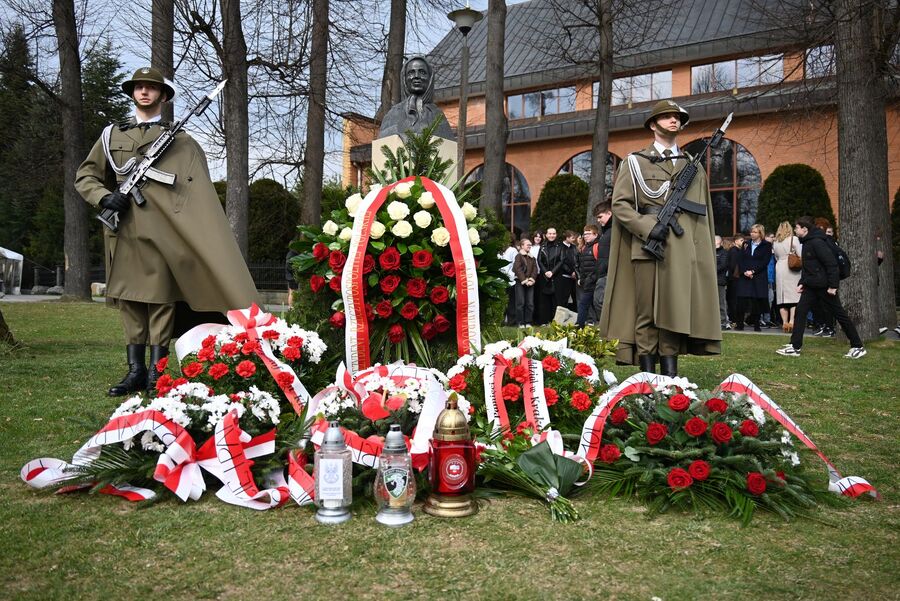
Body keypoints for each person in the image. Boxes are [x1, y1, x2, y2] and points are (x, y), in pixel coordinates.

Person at [75, 67, 260, 396]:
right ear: (132, 93)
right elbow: (85, 176)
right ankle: (135, 371)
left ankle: (156, 373)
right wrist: (105, 197)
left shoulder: (180, 141)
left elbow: (194, 190)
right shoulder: (111, 136)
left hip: (162, 233)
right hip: (123, 229)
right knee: (131, 301)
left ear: (162, 95)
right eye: (139, 87)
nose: (144, 92)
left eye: (151, 87)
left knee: (161, 299)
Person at [599, 99, 721, 376]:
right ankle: (646, 377)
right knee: (646, 315)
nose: (673, 120)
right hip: (646, 246)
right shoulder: (635, 162)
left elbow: (700, 214)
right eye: (666, 117)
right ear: (653, 124)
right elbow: (620, 205)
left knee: (672, 313)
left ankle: (670, 378)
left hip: (679, 249)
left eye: (677, 117)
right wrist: (647, 227)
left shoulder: (693, 165)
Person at [776, 217, 866, 358]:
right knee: (800, 311)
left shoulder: (817, 243)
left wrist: (833, 286)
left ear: (805, 229)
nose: (795, 230)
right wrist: (802, 282)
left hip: (824, 286)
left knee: (839, 315)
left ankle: (858, 346)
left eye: (797, 227)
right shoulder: (807, 242)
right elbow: (809, 267)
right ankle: (795, 346)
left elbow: (831, 265)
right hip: (812, 285)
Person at [377, 56, 454, 140]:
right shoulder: (392, 114)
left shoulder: (438, 115)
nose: (416, 76)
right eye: (411, 73)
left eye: (422, 72)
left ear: (430, 78)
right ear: (404, 79)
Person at [735, 224, 772, 332]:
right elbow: (741, 259)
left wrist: (753, 271)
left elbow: (765, 261)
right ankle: (739, 324)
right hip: (745, 276)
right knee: (741, 300)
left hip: (758, 276)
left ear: (760, 233)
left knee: (757, 301)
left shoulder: (766, 245)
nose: (752, 234)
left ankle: (757, 325)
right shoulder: (746, 244)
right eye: (751, 232)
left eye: (755, 232)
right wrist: (745, 271)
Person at [772, 221, 802, 332]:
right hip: (791, 267)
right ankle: (792, 322)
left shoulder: (776, 242)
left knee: (782, 298)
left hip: (779, 267)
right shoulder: (794, 239)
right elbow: (800, 254)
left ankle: (784, 323)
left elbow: (775, 256)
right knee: (794, 297)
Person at [575, 225, 600, 327]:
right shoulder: (585, 248)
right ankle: (579, 326)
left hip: (597, 282)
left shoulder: (598, 246)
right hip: (588, 283)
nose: (585, 236)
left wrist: (591, 279)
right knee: (583, 304)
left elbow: (599, 265)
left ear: (595, 234)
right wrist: (581, 278)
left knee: (599, 305)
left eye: (588, 234)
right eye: (584, 234)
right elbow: (582, 266)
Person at [592, 201, 613, 319]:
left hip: (608, 273)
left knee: (600, 301)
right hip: (603, 273)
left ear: (609, 213)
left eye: (600, 217)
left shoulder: (614, 231)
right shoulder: (606, 231)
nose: (598, 220)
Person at [538, 227, 563, 324]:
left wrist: (552, 272)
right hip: (544, 276)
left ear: (556, 235)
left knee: (556, 299)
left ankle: (556, 321)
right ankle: (544, 321)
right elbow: (539, 260)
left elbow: (561, 260)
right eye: (550, 233)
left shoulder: (560, 246)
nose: (552, 235)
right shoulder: (542, 246)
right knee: (544, 300)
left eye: (553, 233)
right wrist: (545, 272)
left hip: (556, 276)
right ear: (546, 235)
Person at [512, 238, 538, 327]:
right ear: (522, 246)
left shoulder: (532, 258)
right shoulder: (518, 256)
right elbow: (517, 269)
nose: (529, 246)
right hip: (520, 282)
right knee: (520, 303)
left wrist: (531, 279)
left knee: (530, 303)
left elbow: (535, 269)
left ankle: (528, 322)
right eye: (528, 244)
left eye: (530, 245)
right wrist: (524, 280)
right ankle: (520, 322)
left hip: (530, 283)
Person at [499, 233, 518, 325]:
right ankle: (501, 320)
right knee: (501, 301)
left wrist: (510, 275)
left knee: (510, 302)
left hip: (510, 280)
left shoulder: (513, 250)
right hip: (499, 280)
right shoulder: (499, 251)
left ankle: (511, 321)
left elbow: (515, 264)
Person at [556, 230, 578, 311]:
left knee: (575, 298)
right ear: (567, 237)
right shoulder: (559, 247)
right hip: (563, 276)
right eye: (572, 238)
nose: (574, 239)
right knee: (563, 298)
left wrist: (575, 272)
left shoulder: (574, 247)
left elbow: (576, 260)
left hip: (574, 276)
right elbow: (561, 262)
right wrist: (570, 272)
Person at [715, 236, 730, 329]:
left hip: (719, 281)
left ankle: (723, 322)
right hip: (710, 281)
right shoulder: (709, 252)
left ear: (718, 242)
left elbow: (722, 265)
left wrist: (710, 270)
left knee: (721, 303)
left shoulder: (724, 253)